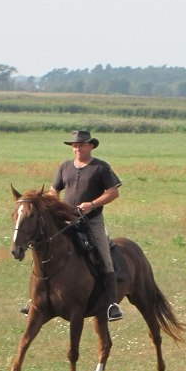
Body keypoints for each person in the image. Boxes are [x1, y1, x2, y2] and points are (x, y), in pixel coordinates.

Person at [48, 130, 124, 321]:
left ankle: (112, 304)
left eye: (81, 145)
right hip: (67, 219)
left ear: (91, 146)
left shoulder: (100, 167)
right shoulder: (65, 167)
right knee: (48, 250)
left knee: (104, 255)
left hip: (92, 221)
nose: (77, 148)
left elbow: (113, 192)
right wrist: (55, 205)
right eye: (74, 145)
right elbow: (53, 190)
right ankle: (39, 298)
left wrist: (93, 205)